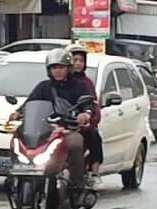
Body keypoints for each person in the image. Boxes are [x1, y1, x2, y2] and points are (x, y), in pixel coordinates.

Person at [8, 48, 92, 193]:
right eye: (54, 68)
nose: (57, 71)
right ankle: (16, 177)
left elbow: (88, 105)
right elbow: (30, 103)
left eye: (61, 67)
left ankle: (77, 184)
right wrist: (18, 112)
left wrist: (84, 114)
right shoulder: (43, 87)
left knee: (76, 143)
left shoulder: (79, 86)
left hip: (67, 130)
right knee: (18, 141)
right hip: (45, 131)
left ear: (68, 68)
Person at [66, 43, 103, 184]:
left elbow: (93, 106)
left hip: (81, 125)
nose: (78, 64)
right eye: (74, 60)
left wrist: (88, 121)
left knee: (94, 137)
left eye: (81, 61)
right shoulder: (53, 84)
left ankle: (94, 173)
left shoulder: (86, 84)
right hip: (61, 124)